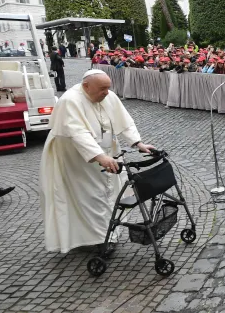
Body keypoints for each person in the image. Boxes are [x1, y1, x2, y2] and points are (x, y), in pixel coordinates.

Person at [39, 70, 155, 254]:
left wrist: (138, 143)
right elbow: (78, 133)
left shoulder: (106, 94)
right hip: (76, 159)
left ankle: (108, 235)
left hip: (105, 153)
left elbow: (123, 121)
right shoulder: (70, 100)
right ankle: (99, 240)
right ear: (86, 86)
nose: (107, 92)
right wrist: (99, 156)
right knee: (91, 198)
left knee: (109, 195)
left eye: (108, 88)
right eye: (102, 88)